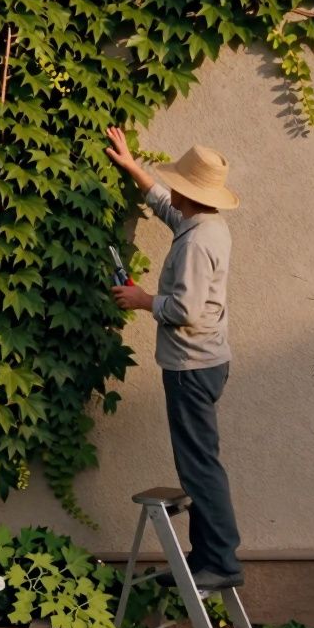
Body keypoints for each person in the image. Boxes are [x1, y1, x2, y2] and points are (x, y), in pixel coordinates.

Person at [104, 126, 245, 591]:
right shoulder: (204, 224)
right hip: (205, 362)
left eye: (177, 184)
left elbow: (185, 309)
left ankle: (221, 561)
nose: (173, 190)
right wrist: (133, 167)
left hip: (191, 367)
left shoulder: (197, 243)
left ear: (190, 192)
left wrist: (143, 299)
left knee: (199, 466)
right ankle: (207, 555)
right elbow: (167, 206)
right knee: (199, 462)